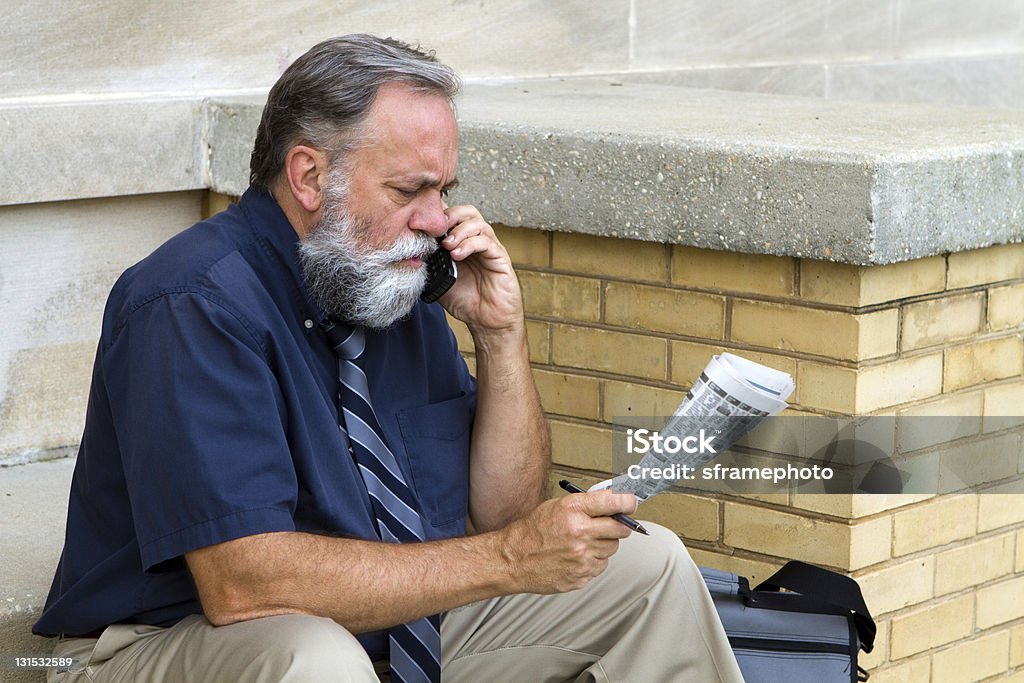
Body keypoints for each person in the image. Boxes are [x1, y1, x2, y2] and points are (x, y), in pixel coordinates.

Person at [35, 34, 744, 683]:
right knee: (318, 661)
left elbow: (506, 515)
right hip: (164, 641)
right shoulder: (191, 301)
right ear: (310, 176)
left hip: (377, 622)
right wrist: (505, 558)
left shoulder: (393, 277)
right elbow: (245, 584)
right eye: (410, 190)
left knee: (648, 566)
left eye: (444, 191)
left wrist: (500, 336)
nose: (439, 221)